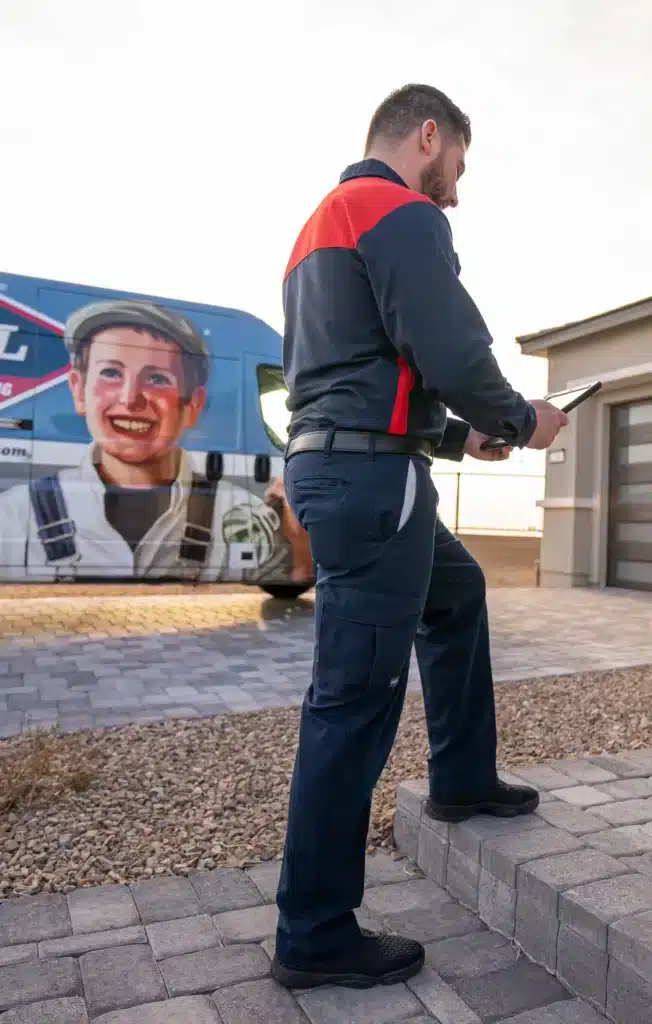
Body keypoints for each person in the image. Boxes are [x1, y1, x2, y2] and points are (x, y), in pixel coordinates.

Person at [272, 83, 569, 991]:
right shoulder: (398, 210)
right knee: (354, 698)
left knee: (458, 591)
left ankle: (462, 777)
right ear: (427, 135)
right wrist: (520, 420)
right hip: (371, 484)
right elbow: (447, 348)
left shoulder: (319, 227)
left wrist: (457, 437)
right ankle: (314, 932)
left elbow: (362, 375)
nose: (456, 188)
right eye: (458, 166)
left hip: (346, 464)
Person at [0, 299, 289, 582]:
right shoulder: (14, 512)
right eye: (111, 373)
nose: (130, 398)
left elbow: (293, 565)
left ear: (193, 405)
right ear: (78, 390)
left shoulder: (235, 510)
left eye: (157, 379)